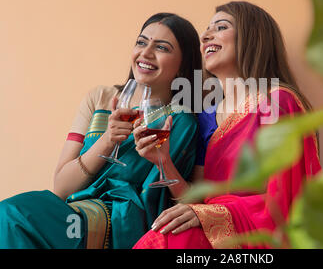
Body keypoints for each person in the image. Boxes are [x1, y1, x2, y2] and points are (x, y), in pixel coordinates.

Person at [0, 13, 203, 249]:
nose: (146, 53)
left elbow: (187, 204)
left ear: (182, 65)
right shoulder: (100, 98)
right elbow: (61, 188)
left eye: (161, 48)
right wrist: (107, 140)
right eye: (141, 42)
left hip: (121, 224)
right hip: (72, 210)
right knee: (12, 217)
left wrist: (163, 161)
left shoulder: (181, 121)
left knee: (13, 216)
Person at [133, 1, 321, 249]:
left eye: (220, 27)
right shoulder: (208, 115)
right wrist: (163, 162)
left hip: (251, 238)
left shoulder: (277, 101)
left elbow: (288, 197)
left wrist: (215, 215)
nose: (205, 35)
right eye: (207, 29)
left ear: (252, 38)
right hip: (211, 232)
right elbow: (198, 197)